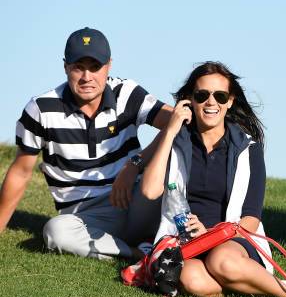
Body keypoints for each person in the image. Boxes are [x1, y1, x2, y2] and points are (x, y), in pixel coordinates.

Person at [141, 61, 286, 297]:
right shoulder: (177, 141)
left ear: (230, 101)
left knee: (222, 261)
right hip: (185, 241)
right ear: (190, 100)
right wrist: (170, 130)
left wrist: (210, 233)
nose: (211, 102)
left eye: (220, 96)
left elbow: (251, 219)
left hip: (233, 240)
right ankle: (242, 282)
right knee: (192, 280)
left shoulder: (248, 148)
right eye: (202, 95)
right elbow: (150, 190)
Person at [0, 27, 173, 260]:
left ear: (109, 65)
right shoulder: (41, 109)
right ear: (65, 67)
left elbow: (177, 121)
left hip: (136, 200)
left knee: (178, 176)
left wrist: (134, 165)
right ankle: (139, 254)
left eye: (95, 67)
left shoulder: (126, 92)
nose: (86, 77)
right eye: (78, 67)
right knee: (55, 232)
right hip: (84, 218)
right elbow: (21, 172)